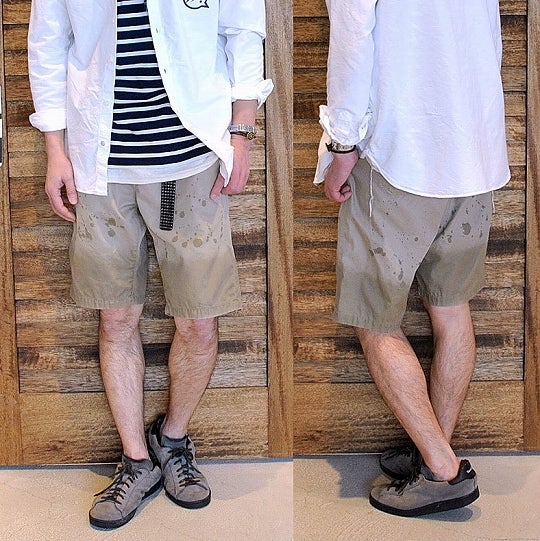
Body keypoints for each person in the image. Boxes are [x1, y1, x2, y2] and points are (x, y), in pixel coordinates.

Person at [28, 0, 272, 530]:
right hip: (100, 163)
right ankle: (136, 461)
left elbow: (243, 29)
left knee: (200, 321)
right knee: (116, 319)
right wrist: (54, 149)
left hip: (194, 159)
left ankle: (173, 441)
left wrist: (242, 132)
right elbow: (48, 43)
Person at [315, 0, 510, 517]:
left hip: (401, 152)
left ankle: (443, 471)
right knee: (450, 310)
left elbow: (352, 41)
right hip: (476, 146)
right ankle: (433, 455)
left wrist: (342, 144)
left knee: (374, 320)